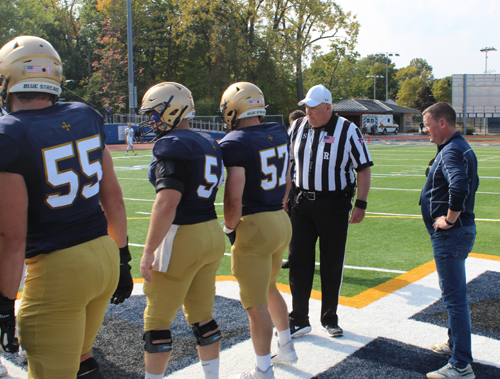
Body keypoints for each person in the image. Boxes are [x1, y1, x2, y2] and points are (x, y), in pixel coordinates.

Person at [0, 36, 133, 379]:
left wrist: (3, 305)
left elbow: (11, 238)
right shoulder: (86, 115)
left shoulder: (8, 133)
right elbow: (113, 199)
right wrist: (123, 259)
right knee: (81, 356)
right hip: (103, 255)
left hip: (57, 271)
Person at [139, 82, 225, 379]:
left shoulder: (172, 144)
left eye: (155, 112)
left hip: (182, 235)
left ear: (173, 109)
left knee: (157, 320)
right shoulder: (209, 141)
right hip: (211, 232)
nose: (152, 119)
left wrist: (149, 250)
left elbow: (167, 202)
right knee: (203, 315)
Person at [219, 82, 297, 379]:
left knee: (255, 304)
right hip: (280, 218)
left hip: (254, 226)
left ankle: (263, 370)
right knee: (269, 286)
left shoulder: (235, 142)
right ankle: (286, 346)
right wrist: (281, 201)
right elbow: (288, 177)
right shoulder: (278, 131)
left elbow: (233, 197)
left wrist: (228, 227)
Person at [286, 84, 373, 338]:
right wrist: (285, 196)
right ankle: (299, 318)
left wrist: (361, 204)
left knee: (331, 263)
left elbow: (364, 168)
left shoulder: (348, 130)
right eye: (306, 106)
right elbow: (289, 163)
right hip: (301, 204)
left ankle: (330, 318)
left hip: (334, 205)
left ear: (327, 107)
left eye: (313, 107)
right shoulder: (298, 126)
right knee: (298, 263)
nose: (308, 111)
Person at [420, 102, 479, 379]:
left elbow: (459, 185)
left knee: (454, 300)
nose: (425, 129)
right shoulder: (457, 146)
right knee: (454, 297)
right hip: (458, 233)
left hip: (451, 234)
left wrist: (450, 219)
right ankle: (454, 345)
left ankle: (460, 364)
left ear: (443, 123)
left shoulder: (452, 150)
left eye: (428, 123)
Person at [281, 109, 306, 269]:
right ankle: (295, 256)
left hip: (296, 189)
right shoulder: (294, 139)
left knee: (295, 227)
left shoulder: (302, 141)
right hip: (294, 188)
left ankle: (296, 257)